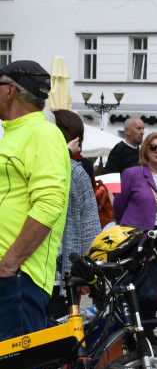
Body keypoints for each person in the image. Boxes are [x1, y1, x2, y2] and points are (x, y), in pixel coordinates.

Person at [0, 59, 70, 369]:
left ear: (10, 89)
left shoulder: (42, 134)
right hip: (10, 277)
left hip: (20, 279)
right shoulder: (13, 134)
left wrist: (10, 262)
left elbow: (49, 203)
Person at [113, 132, 157, 325]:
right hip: (140, 239)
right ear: (146, 150)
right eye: (153, 147)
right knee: (136, 285)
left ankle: (148, 326)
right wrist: (130, 229)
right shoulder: (132, 174)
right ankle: (130, 328)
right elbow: (119, 207)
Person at [50, 110, 102, 320]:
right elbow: (90, 226)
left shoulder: (75, 171)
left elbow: (89, 225)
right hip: (55, 270)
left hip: (53, 272)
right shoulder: (75, 170)